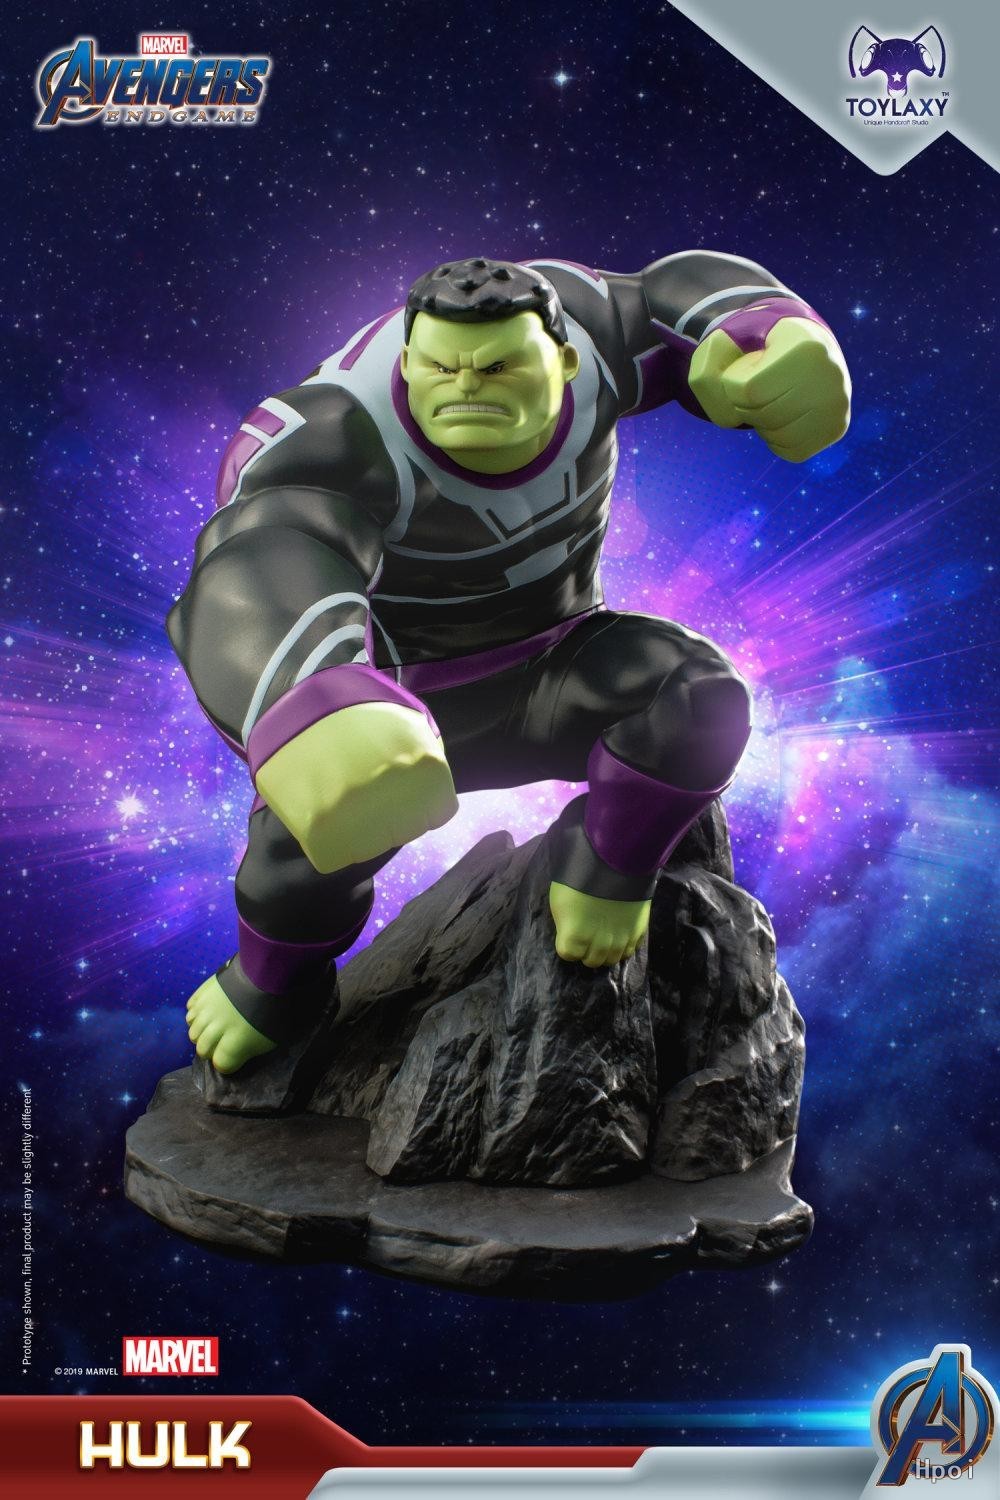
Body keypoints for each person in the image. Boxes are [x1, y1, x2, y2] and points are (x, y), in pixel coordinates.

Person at [170, 254, 851, 1074]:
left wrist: (767, 329)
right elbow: (259, 555)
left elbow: (673, 299)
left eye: (498, 369)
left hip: (562, 661)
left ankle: (606, 866)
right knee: (302, 859)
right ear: (408, 360)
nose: (467, 388)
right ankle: (272, 986)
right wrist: (306, 695)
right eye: (441, 369)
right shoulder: (336, 431)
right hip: (398, 718)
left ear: (563, 359)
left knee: (701, 702)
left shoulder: (592, 335)